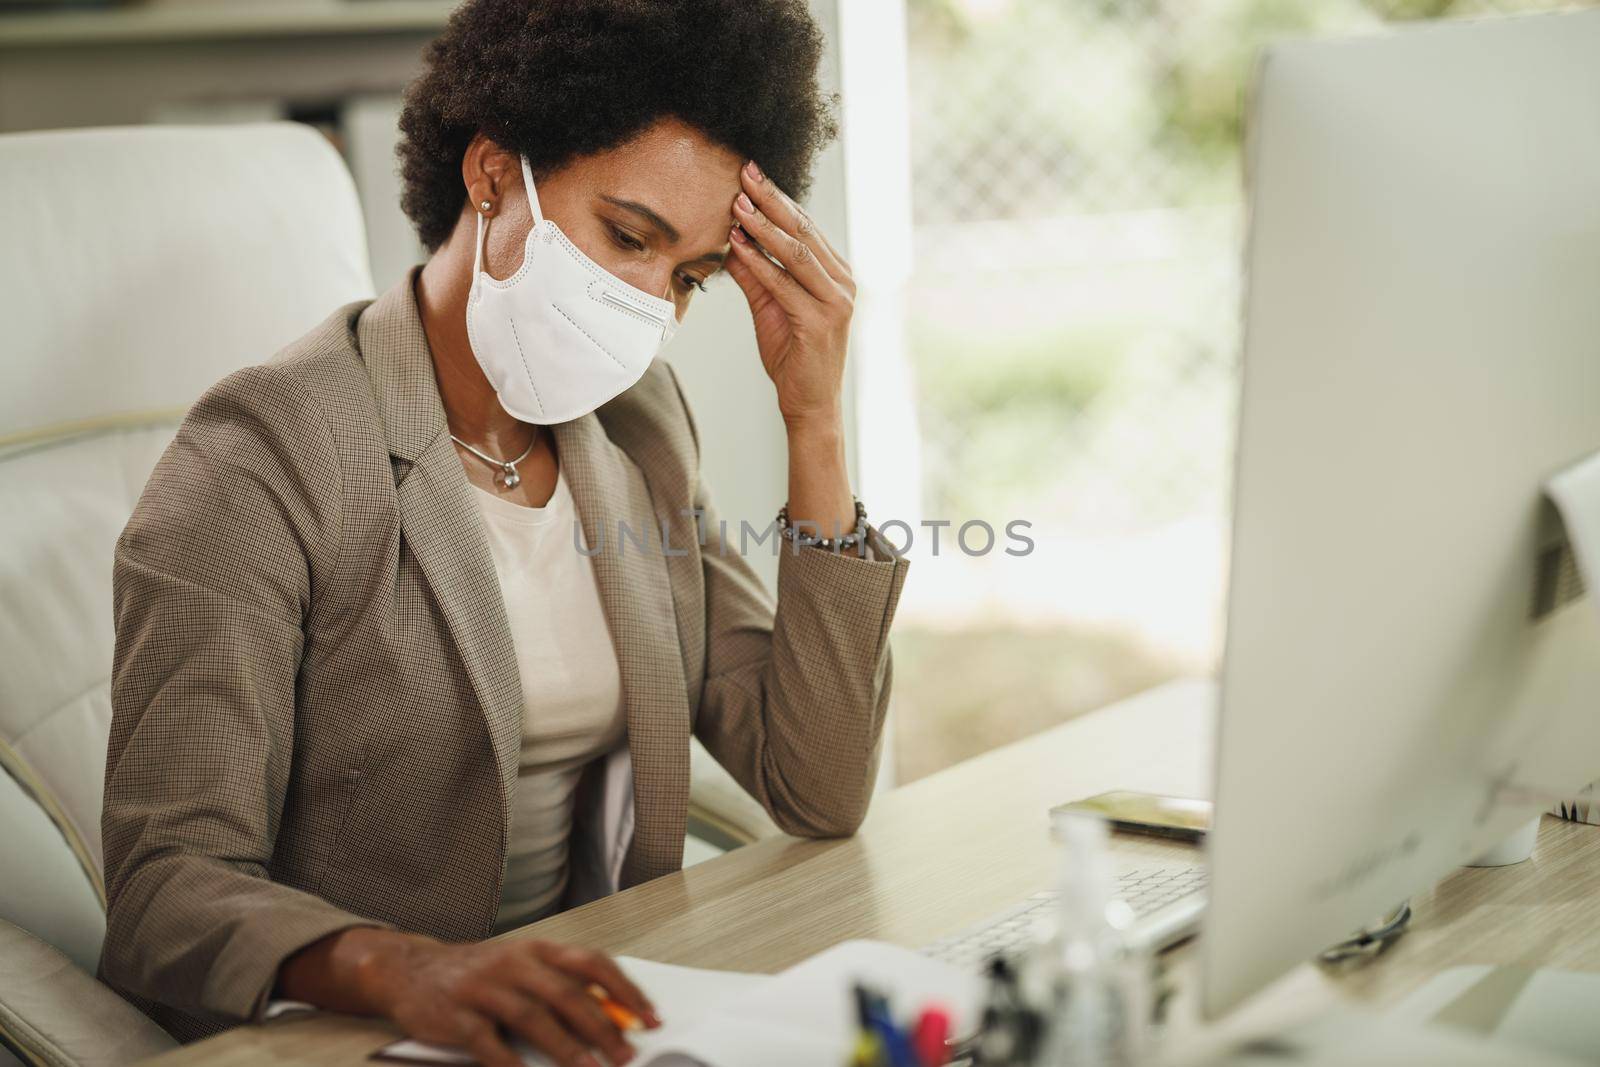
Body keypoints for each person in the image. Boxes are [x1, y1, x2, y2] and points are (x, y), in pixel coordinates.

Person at [97, 2, 907, 1065]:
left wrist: (813, 418)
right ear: (489, 171)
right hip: (349, 1033)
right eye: (629, 235)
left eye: (690, 276)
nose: (649, 306)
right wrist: (413, 968)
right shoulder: (264, 451)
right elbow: (167, 887)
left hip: (580, 1017)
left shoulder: (639, 427)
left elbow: (819, 783)